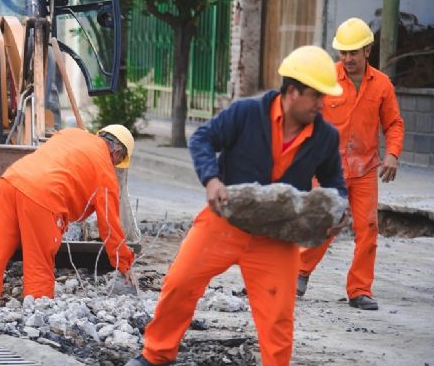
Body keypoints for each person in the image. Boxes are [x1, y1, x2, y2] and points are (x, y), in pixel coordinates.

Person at [126, 46, 348, 366]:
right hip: (224, 221)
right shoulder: (246, 113)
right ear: (292, 91)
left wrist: (338, 210)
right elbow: (203, 138)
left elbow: (334, 182)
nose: (321, 103)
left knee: (278, 316)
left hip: (276, 235)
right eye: (316, 95)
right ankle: (156, 355)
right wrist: (212, 179)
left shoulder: (325, 136)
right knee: (179, 283)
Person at [0, 125, 137, 320]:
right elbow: (110, 226)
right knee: (39, 264)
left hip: (11, 180)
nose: (115, 166)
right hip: (44, 196)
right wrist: (124, 262)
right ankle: (36, 321)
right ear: (116, 153)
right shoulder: (105, 171)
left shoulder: (71, 133)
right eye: (118, 162)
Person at [297, 18, 405, 310]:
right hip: (329, 168)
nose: (347, 59)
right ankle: (299, 271)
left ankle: (359, 290)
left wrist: (392, 154)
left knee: (368, 228)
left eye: (353, 52)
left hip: (366, 169)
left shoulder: (382, 85)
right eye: (342, 53)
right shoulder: (326, 80)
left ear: (367, 50)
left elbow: (393, 123)